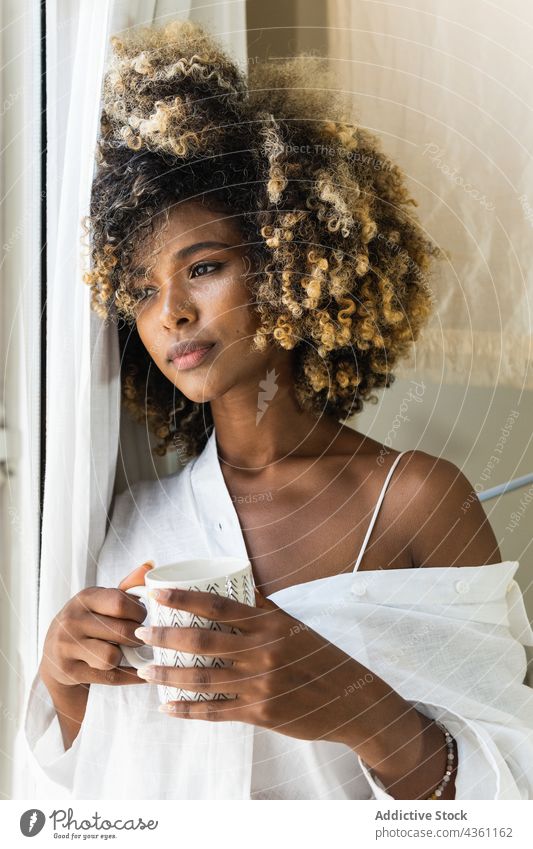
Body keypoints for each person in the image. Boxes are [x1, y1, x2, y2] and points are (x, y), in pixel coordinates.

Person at [23, 18, 533, 800]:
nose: (171, 314)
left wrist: (362, 710)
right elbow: (106, 789)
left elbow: (515, 789)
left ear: (295, 260)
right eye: (142, 290)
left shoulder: (414, 500)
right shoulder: (132, 521)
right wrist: (64, 681)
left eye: (203, 267)